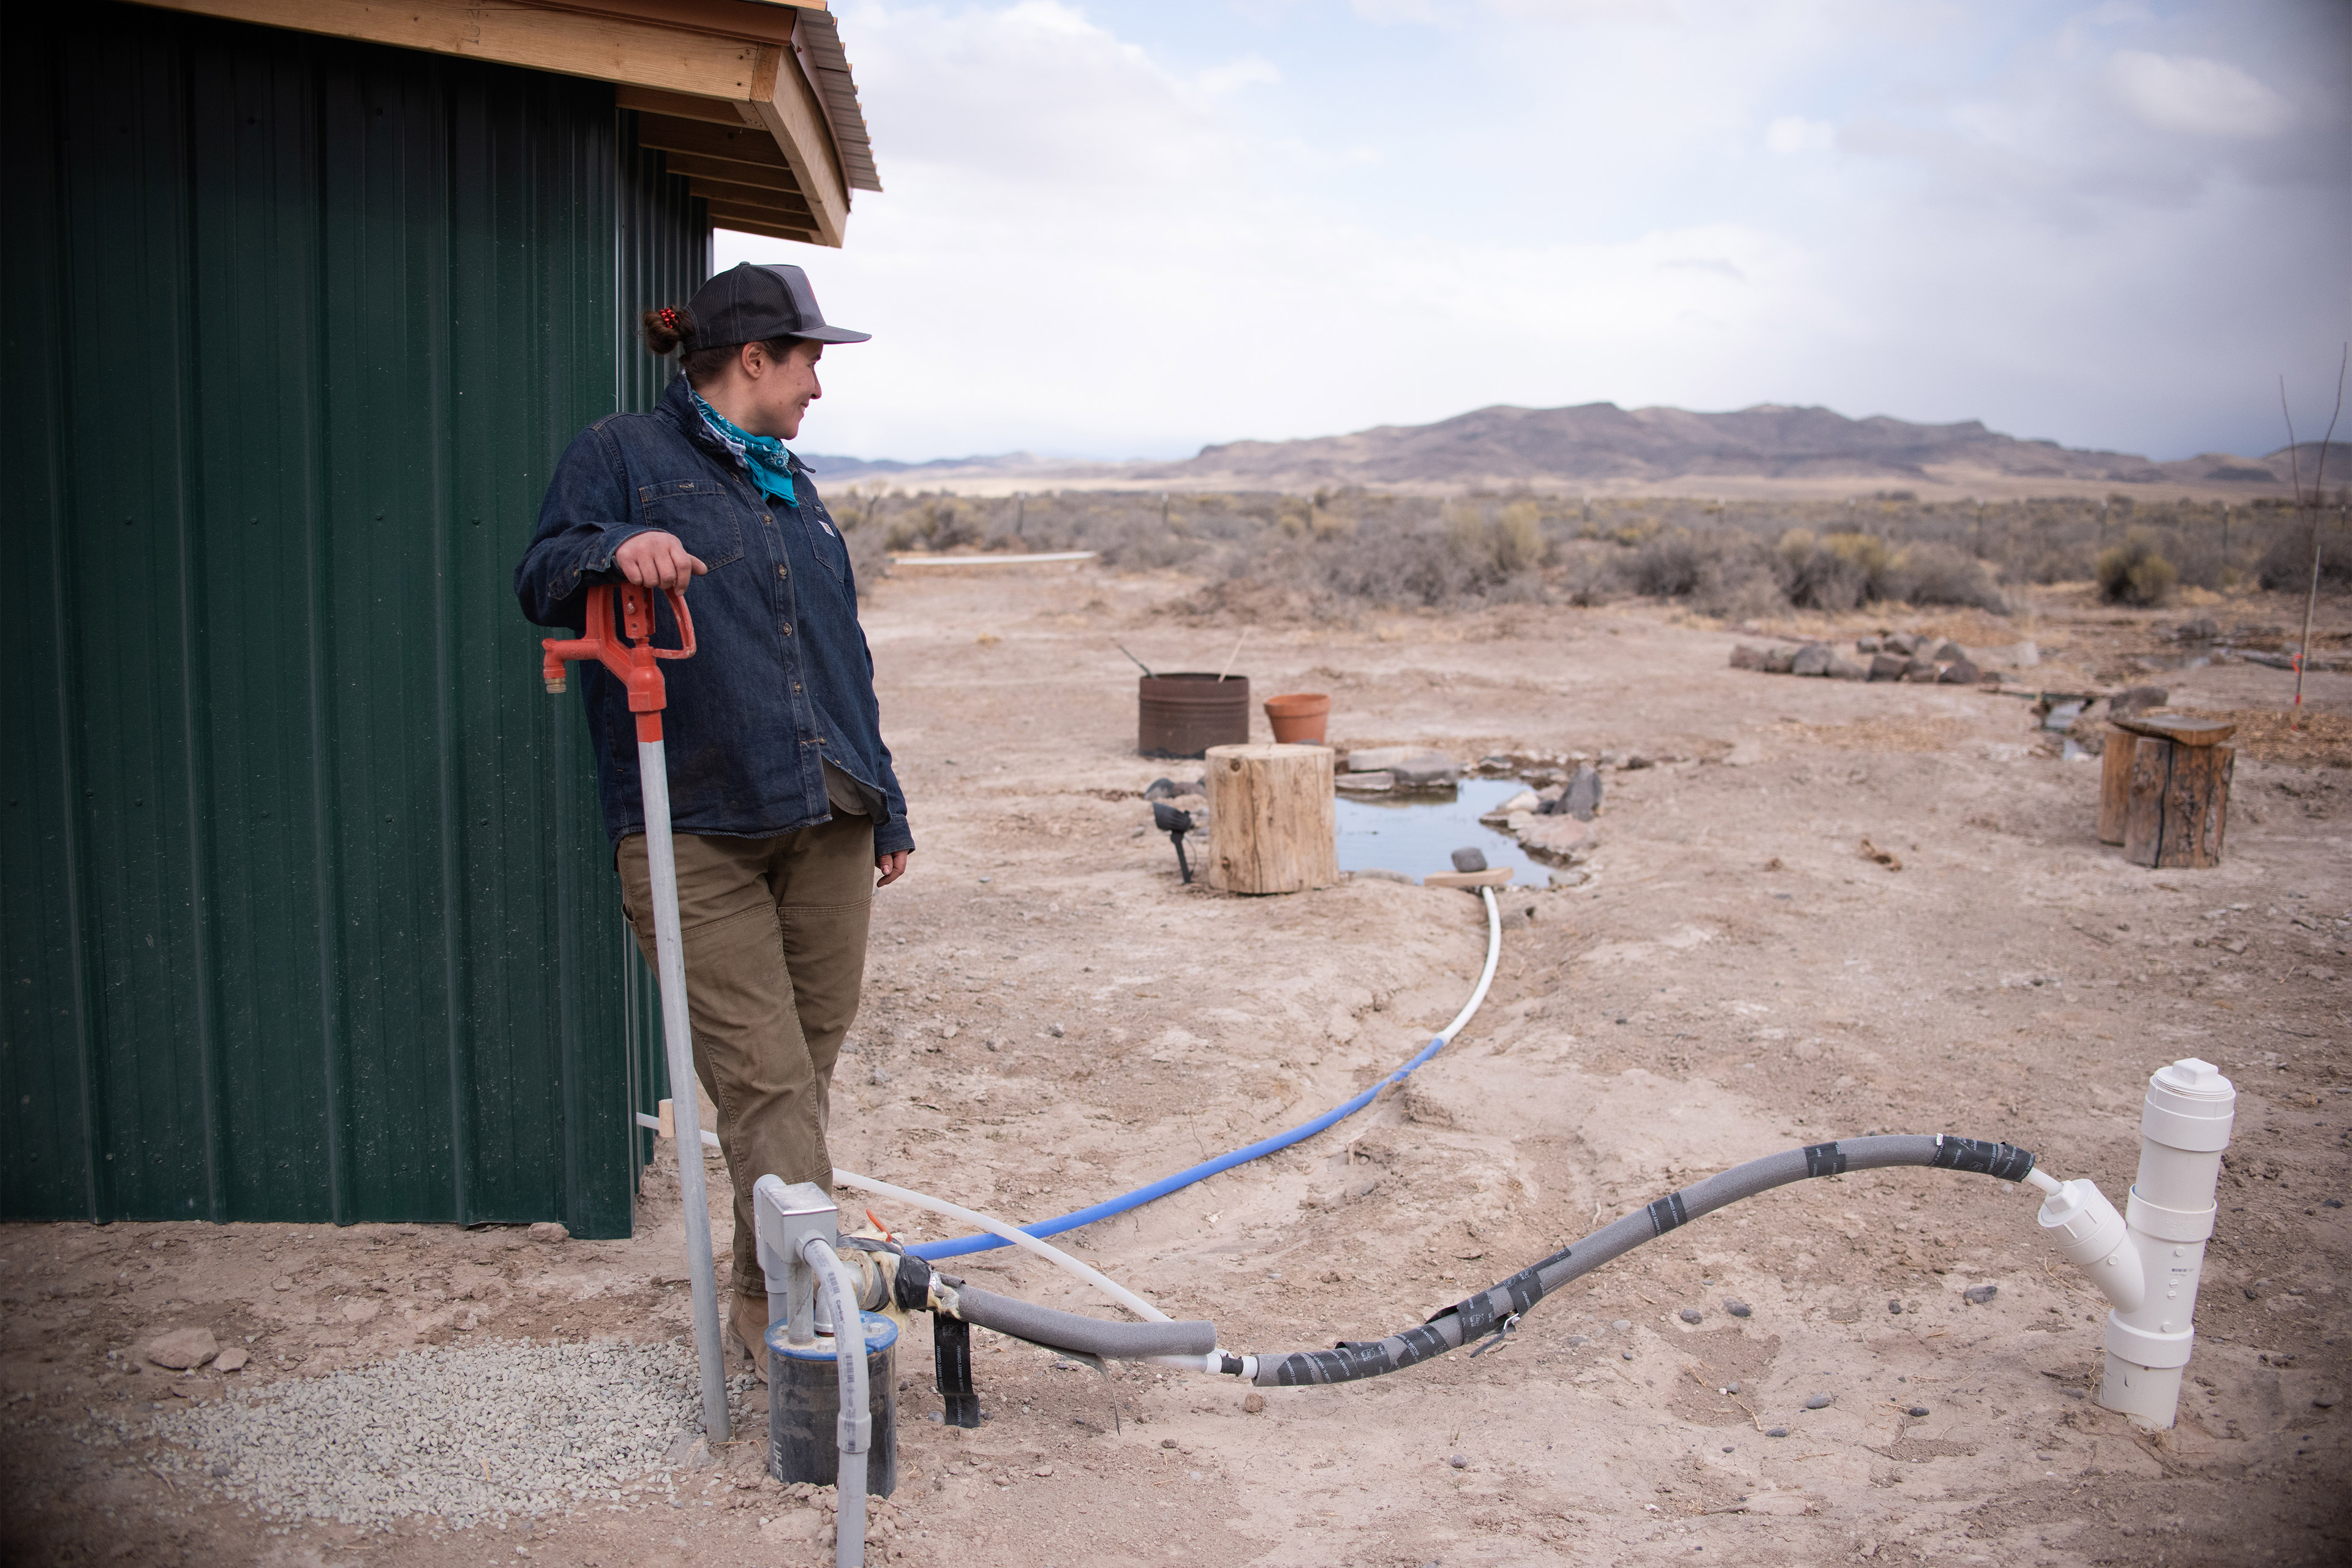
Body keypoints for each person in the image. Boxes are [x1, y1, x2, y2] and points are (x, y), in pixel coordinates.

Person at [514, 262, 913, 1374]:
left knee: (802, 1074)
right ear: (753, 360)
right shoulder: (624, 456)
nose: (818, 388)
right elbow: (541, 572)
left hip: (828, 809)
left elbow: (841, 658)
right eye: (808, 363)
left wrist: (885, 806)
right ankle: (804, 1326)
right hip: (693, 825)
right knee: (769, 1084)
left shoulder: (792, 484)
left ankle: (766, 1297)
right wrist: (611, 548)